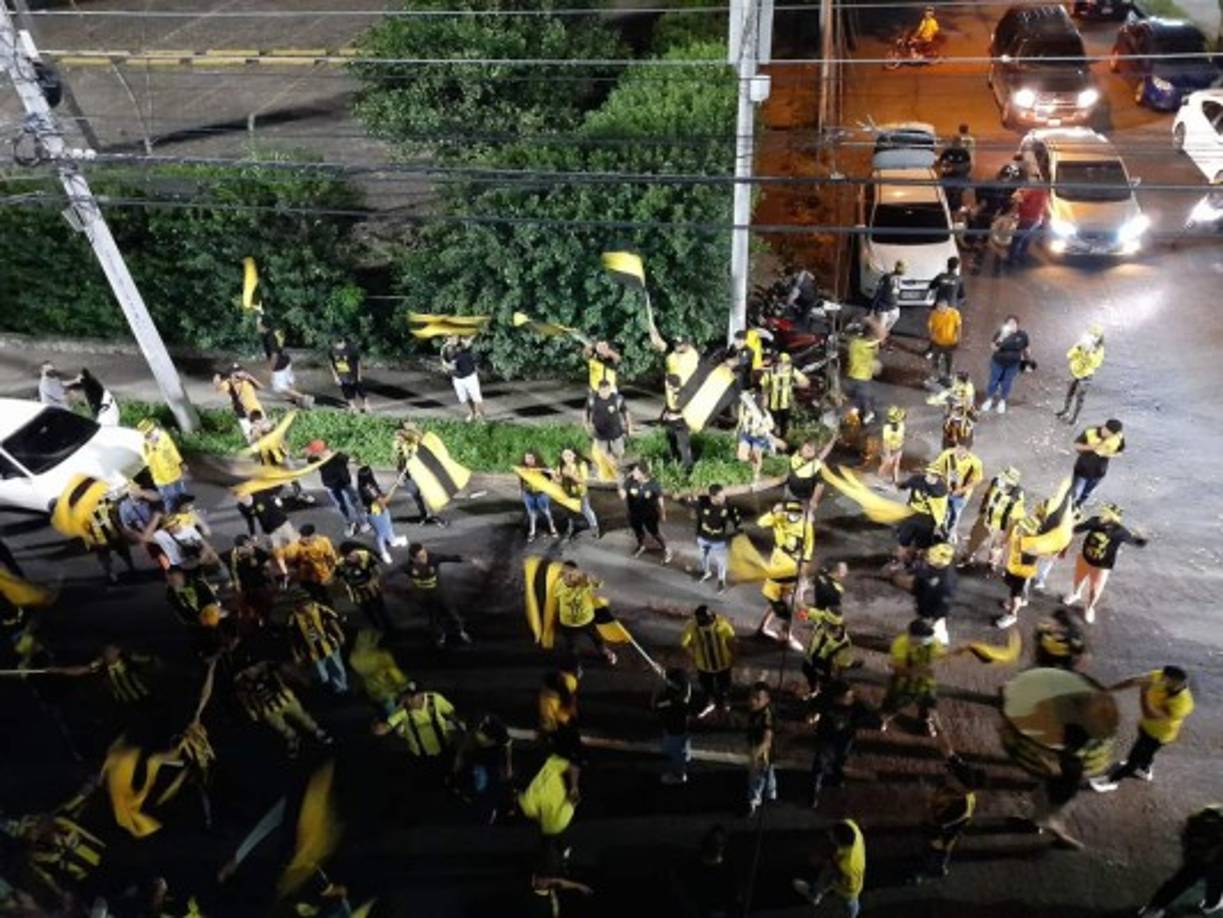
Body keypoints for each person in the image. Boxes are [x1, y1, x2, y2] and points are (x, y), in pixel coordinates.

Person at [1091, 666, 1195, 791]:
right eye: (1163, 676)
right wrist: (1108, 690)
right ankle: (1145, 769)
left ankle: (1112, 781)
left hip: (1158, 735)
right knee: (1146, 754)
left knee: (1134, 759)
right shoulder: (1160, 676)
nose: (1161, 680)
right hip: (1146, 727)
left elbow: (1150, 715)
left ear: (1176, 683)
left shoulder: (1183, 704)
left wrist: (1144, 693)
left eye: (1165, 679)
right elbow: (1133, 682)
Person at [1062, 503, 1146, 624]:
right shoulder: (1095, 521)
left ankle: (1089, 607)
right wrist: (1072, 522)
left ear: (1113, 519)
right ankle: (1076, 593)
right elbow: (1078, 529)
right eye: (1103, 512)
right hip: (1085, 558)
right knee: (1078, 580)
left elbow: (1136, 543)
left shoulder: (1120, 532)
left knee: (1095, 590)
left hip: (1102, 566)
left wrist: (1143, 537)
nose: (1103, 516)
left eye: (1106, 514)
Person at [1137, 804, 1223, 918]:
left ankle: (1154, 908)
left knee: (1184, 879)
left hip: (1200, 852)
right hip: (1216, 854)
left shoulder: (1206, 816)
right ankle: (1211, 904)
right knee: (1216, 878)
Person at [234, 660, 332, 757]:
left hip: (287, 700)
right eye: (246, 669)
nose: (250, 670)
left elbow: (285, 669)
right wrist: (252, 713)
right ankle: (292, 737)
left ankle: (316, 730)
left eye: (252, 667)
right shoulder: (241, 683)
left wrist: (301, 678)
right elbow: (244, 700)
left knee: (302, 717)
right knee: (280, 727)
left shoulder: (268, 668)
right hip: (267, 710)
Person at [809, 683, 881, 808]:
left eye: (849, 696)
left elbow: (873, 717)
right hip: (826, 737)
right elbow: (813, 706)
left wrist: (878, 724)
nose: (848, 699)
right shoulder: (826, 701)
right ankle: (814, 793)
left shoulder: (857, 706)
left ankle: (836, 786)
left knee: (839, 761)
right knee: (820, 762)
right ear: (836, 697)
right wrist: (812, 714)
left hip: (844, 740)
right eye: (845, 697)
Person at [880, 618, 954, 737]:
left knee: (928, 704)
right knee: (894, 700)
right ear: (912, 636)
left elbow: (940, 660)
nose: (927, 640)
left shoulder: (934, 643)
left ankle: (925, 722)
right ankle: (884, 717)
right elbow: (899, 669)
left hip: (926, 682)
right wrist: (920, 671)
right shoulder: (900, 643)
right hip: (904, 681)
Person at [518, 731, 583, 860]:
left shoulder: (528, 802)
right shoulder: (549, 763)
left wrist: (574, 789)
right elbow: (574, 768)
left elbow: (574, 769)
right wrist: (574, 789)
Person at [798, 563, 852, 701]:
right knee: (808, 672)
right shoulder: (822, 617)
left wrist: (835, 679)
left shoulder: (844, 644)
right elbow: (802, 607)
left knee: (826, 691)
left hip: (824, 670)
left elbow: (842, 667)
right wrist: (801, 590)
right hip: (810, 659)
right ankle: (813, 689)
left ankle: (820, 699)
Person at [374, 681, 463, 766]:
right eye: (406, 696)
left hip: (445, 753)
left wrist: (461, 728)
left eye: (412, 696)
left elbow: (453, 715)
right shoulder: (401, 710)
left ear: (421, 694)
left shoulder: (435, 699)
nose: (408, 700)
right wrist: (378, 728)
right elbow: (386, 727)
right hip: (421, 759)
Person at [1032, 723, 1090, 850]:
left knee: (1050, 822)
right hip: (1062, 793)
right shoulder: (1075, 756)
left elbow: (1054, 771)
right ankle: (1038, 823)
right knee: (1039, 801)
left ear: (1069, 741)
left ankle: (1068, 842)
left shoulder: (1071, 760)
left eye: (1063, 735)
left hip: (1056, 796)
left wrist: (1040, 758)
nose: (1060, 735)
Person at [405, 542, 474, 647]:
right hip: (427, 597)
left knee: (452, 614)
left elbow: (449, 557)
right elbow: (395, 572)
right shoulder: (408, 566)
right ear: (414, 558)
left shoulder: (433, 558)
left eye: (425, 553)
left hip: (441, 594)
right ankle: (440, 636)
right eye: (421, 556)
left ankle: (460, 631)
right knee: (433, 619)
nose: (425, 557)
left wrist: (468, 559)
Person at [792, 820, 867, 917]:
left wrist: (822, 861)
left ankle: (851, 915)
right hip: (838, 868)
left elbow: (843, 880)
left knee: (850, 902)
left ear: (840, 843)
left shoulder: (849, 866)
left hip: (848, 887)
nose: (829, 833)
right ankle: (814, 895)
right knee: (824, 879)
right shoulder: (851, 825)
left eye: (833, 836)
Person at [919, 759, 977, 880]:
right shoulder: (955, 789)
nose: (947, 775)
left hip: (941, 836)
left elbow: (934, 822)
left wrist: (926, 801)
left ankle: (927, 871)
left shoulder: (961, 807)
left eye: (952, 776)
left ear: (961, 784)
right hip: (942, 831)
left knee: (934, 853)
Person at [959, 465, 1024, 571]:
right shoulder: (996, 482)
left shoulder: (1016, 498)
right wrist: (982, 510)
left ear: (1011, 484)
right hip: (986, 518)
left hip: (1000, 527)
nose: (1001, 481)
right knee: (974, 539)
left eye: (1004, 480)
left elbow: (1014, 519)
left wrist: (1006, 536)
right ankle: (968, 558)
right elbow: (987, 495)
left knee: (997, 547)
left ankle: (992, 564)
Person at [452, 714, 513, 822]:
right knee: (480, 782)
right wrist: (459, 756)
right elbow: (468, 738)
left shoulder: (497, 726)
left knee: (490, 783)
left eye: (477, 730)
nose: (475, 732)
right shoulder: (473, 724)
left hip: (495, 755)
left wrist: (508, 766)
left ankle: (493, 808)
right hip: (480, 755)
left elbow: (507, 746)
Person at [554, 563, 616, 665]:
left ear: (577, 573)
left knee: (597, 639)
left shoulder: (584, 582)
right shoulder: (560, 585)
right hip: (568, 624)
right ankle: (574, 665)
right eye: (566, 574)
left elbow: (600, 584)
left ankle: (605, 653)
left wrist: (592, 578)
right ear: (562, 574)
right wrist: (584, 584)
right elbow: (562, 594)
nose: (569, 576)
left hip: (587, 621)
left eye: (572, 573)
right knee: (571, 646)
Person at [684, 484, 742, 593]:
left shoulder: (727, 505)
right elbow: (691, 505)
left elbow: (735, 517)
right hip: (703, 536)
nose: (723, 498)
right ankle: (706, 572)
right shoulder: (702, 503)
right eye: (720, 496)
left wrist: (738, 527)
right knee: (703, 556)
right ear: (712, 497)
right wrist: (689, 499)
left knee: (721, 560)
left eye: (723, 495)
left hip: (718, 538)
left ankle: (721, 580)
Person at [680, 604, 736, 717]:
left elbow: (731, 638)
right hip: (704, 665)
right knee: (707, 687)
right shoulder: (693, 626)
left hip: (723, 662)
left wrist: (734, 655)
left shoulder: (721, 622)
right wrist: (693, 657)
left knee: (724, 686)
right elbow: (684, 643)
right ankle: (709, 703)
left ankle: (723, 703)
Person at [891, 464, 949, 570]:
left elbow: (940, 509)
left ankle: (917, 565)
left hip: (927, 520)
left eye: (935, 475)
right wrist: (898, 484)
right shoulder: (917, 480)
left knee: (922, 545)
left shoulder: (941, 490)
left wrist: (941, 526)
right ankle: (901, 562)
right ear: (926, 472)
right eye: (930, 474)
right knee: (903, 542)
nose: (931, 477)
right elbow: (904, 485)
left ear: (939, 477)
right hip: (911, 515)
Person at [287, 595, 348, 694]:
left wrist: (340, 634)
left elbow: (332, 619)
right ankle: (327, 692)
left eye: (306, 604)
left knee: (337, 669)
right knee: (322, 675)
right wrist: (296, 654)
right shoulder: (293, 618)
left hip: (330, 645)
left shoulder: (320, 608)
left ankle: (342, 691)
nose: (305, 608)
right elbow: (291, 638)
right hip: (312, 651)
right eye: (301, 605)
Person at [305, 440, 368, 536]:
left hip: (344, 482)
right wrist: (312, 460)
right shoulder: (314, 459)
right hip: (330, 485)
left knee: (354, 501)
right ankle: (349, 523)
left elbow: (351, 460)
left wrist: (357, 459)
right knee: (340, 505)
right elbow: (311, 468)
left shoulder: (337, 456)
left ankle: (364, 521)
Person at [391, 423, 448, 527]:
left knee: (427, 496)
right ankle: (424, 515)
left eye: (401, 432)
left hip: (422, 474)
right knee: (416, 496)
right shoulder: (398, 443)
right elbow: (398, 459)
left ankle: (435, 517)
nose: (398, 435)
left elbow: (425, 444)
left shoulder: (417, 439)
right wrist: (399, 473)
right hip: (409, 475)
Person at [235, 489, 297, 582]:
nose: (240, 498)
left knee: (294, 543)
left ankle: (300, 561)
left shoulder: (260, 499)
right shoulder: (241, 506)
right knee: (277, 550)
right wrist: (253, 534)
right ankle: (285, 572)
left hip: (280, 522)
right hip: (269, 529)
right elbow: (249, 519)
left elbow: (265, 516)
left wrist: (264, 537)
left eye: (242, 495)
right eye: (238, 497)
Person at [993, 513, 1040, 629]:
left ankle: (1012, 615)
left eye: (1024, 530)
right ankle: (1020, 600)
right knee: (1013, 587)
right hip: (1014, 566)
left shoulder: (1032, 547)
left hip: (1022, 571)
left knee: (1016, 594)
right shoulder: (1021, 533)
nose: (1020, 530)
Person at [336, 541, 394, 632]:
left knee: (381, 609)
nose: (351, 558)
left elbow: (378, 571)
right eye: (348, 557)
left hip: (372, 589)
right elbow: (338, 577)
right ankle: (378, 628)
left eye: (352, 555)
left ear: (356, 551)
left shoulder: (366, 556)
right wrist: (346, 586)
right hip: (356, 593)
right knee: (368, 612)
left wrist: (374, 581)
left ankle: (390, 628)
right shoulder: (340, 564)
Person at [620, 463, 671, 563]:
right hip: (634, 513)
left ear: (642, 474)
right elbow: (623, 494)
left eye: (636, 471)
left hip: (650, 514)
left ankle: (666, 548)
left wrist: (663, 512)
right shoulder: (630, 480)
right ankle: (641, 545)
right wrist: (621, 489)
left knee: (655, 533)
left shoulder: (653, 484)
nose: (633, 473)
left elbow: (660, 498)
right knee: (638, 531)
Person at [932, 440, 983, 539]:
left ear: (968, 451)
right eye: (957, 447)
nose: (957, 451)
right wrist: (941, 483)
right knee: (942, 512)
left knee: (955, 516)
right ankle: (942, 531)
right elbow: (937, 468)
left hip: (961, 496)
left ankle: (951, 533)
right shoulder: (947, 455)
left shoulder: (975, 463)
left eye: (961, 449)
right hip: (945, 491)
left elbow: (976, 480)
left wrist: (961, 490)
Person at [981, 315, 1032, 414]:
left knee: (1007, 383)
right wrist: (1001, 338)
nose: (1012, 325)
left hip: (1013, 365)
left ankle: (1002, 401)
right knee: (993, 381)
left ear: (1017, 325)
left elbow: (1027, 347)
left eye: (1014, 323)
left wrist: (1027, 358)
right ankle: (989, 399)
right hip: (998, 362)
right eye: (1009, 323)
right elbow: (993, 348)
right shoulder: (1001, 333)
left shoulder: (1022, 335)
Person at [356, 465, 407, 563]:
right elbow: (384, 501)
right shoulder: (369, 488)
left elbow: (380, 497)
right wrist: (395, 485)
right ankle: (384, 553)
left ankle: (393, 541)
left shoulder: (363, 486)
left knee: (387, 528)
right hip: (377, 513)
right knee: (380, 534)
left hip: (375, 512)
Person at [1057, 325, 1105, 425]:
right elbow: (1069, 355)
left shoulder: (1099, 350)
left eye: (1095, 336)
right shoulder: (1082, 343)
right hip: (1074, 373)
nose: (1092, 338)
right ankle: (1066, 411)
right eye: (1091, 335)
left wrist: (1089, 353)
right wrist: (1079, 348)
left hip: (1085, 376)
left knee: (1079, 397)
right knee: (1069, 393)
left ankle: (1074, 418)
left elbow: (1096, 364)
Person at [1071, 419, 1125, 508]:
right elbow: (1076, 445)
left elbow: (1120, 452)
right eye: (1108, 433)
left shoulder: (1118, 437)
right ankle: (1069, 507)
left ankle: (1079, 505)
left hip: (1099, 472)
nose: (1109, 436)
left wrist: (1110, 454)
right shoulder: (1090, 432)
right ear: (1104, 427)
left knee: (1087, 492)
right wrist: (1093, 448)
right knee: (1076, 492)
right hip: (1082, 469)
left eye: (1112, 435)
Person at [653, 668, 694, 785]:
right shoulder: (683, 702)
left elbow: (655, 704)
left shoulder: (669, 701)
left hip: (673, 734)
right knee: (680, 753)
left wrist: (658, 682)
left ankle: (679, 776)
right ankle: (681, 767)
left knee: (676, 755)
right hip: (679, 733)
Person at [259, 319, 312, 407]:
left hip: (278, 363)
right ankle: (295, 399)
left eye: (258, 324)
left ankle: (304, 398)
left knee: (279, 387)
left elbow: (274, 354)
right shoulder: (276, 331)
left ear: (263, 326)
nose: (257, 326)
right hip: (285, 359)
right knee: (289, 381)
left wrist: (271, 368)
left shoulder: (269, 337)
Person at [227, 534, 276, 629]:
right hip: (246, 588)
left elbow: (266, 556)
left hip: (257, 585)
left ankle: (264, 621)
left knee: (265, 605)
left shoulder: (255, 552)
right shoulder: (233, 557)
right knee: (253, 608)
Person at [736, 390, 784, 486]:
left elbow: (771, 426)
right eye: (765, 400)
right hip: (747, 435)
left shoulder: (765, 414)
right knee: (741, 456)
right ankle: (754, 458)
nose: (766, 402)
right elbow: (742, 416)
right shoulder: (746, 410)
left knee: (757, 455)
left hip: (759, 438)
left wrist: (763, 429)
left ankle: (756, 477)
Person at [281, 524, 337, 605]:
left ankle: (331, 614)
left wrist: (332, 572)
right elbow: (289, 561)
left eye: (307, 537)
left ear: (313, 535)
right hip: (306, 577)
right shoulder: (295, 546)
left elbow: (331, 557)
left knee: (326, 597)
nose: (304, 539)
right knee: (313, 598)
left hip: (323, 575)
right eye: (303, 537)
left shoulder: (323, 541)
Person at [138, 420, 188, 511]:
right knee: (170, 500)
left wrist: (181, 462)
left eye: (151, 431)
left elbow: (172, 450)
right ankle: (173, 514)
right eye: (147, 434)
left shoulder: (164, 436)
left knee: (182, 495)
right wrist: (152, 448)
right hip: (163, 480)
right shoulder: (145, 446)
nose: (151, 434)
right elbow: (148, 462)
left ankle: (186, 512)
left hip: (175, 473)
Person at [912, 542, 956, 644]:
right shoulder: (931, 568)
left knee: (934, 630)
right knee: (925, 626)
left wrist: (935, 616)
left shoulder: (947, 580)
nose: (929, 560)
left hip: (933, 612)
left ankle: (934, 646)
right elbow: (920, 582)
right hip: (924, 605)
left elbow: (944, 602)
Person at [759, 352, 809, 439]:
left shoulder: (792, 371)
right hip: (773, 405)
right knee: (772, 425)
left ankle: (783, 439)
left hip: (786, 404)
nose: (785, 366)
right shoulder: (771, 372)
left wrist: (794, 384)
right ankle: (773, 440)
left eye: (787, 364)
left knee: (784, 426)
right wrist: (765, 398)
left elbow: (806, 382)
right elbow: (764, 385)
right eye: (782, 363)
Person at [745, 681, 777, 816]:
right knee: (768, 773)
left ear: (767, 700)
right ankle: (771, 792)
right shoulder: (758, 711)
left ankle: (753, 800)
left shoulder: (766, 716)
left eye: (757, 698)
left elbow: (767, 740)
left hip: (762, 753)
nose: (753, 701)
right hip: (762, 750)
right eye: (751, 697)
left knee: (755, 777)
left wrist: (754, 755)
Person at [844, 319, 883, 424]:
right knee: (862, 394)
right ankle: (865, 411)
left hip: (857, 374)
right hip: (862, 375)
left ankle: (865, 411)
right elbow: (879, 337)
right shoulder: (872, 345)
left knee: (860, 394)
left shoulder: (855, 343)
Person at [557, 447, 599, 541]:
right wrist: (554, 476)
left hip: (581, 493)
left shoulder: (581, 465)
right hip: (568, 494)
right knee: (570, 512)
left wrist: (571, 475)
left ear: (574, 455)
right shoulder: (561, 466)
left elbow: (584, 481)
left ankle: (594, 528)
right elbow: (559, 480)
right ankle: (571, 529)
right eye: (564, 455)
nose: (567, 457)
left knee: (586, 510)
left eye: (569, 455)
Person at [538, 657, 581, 746]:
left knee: (549, 724)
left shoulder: (559, 678)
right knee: (555, 724)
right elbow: (570, 700)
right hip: (553, 701)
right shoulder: (571, 681)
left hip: (549, 700)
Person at [440, 334, 485, 421]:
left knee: (477, 398)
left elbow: (472, 337)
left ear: (458, 337)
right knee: (464, 398)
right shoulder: (445, 349)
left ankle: (481, 418)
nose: (452, 339)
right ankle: (472, 413)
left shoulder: (463, 345)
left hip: (470, 376)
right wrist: (446, 369)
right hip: (457, 379)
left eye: (454, 336)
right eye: (449, 337)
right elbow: (445, 363)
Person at [213, 364, 265, 439]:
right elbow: (218, 388)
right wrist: (217, 378)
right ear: (231, 374)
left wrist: (250, 377)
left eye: (240, 371)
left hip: (256, 410)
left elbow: (261, 387)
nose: (239, 373)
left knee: (265, 431)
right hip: (242, 413)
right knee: (250, 436)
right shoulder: (228, 383)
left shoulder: (247, 380)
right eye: (236, 372)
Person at [585, 378, 631, 459]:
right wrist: (586, 425)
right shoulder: (592, 399)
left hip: (616, 433)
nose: (605, 393)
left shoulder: (618, 399)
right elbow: (586, 412)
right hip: (600, 434)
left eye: (607, 390)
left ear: (610, 389)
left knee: (619, 454)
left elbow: (625, 412)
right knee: (601, 456)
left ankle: (615, 468)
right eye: (602, 391)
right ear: (598, 390)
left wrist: (629, 426)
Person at [520, 451, 559, 543]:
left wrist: (550, 472)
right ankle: (532, 531)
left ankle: (552, 528)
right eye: (527, 458)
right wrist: (522, 492)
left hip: (542, 494)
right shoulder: (523, 469)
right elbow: (522, 481)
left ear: (535, 458)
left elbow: (555, 479)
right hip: (528, 494)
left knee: (546, 512)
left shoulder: (544, 469)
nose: (528, 460)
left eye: (531, 458)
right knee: (532, 514)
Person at [1007, 180, 1049, 265]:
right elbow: (1043, 208)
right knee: (1026, 239)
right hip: (1036, 220)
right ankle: (1022, 258)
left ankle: (1011, 260)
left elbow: (1027, 207)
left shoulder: (1033, 193)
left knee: (1016, 239)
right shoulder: (1044, 194)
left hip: (1028, 219)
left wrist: (1019, 202)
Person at [926, 296, 962, 388]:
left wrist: (958, 338)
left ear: (946, 306)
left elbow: (958, 326)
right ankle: (935, 375)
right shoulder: (934, 314)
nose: (938, 309)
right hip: (937, 342)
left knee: (949, 359)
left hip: (950, 343)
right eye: (938, 307)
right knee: (935, 359)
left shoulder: (954, 313)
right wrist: (931, 335)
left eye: (940, 307)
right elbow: (930, 325)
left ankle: (948, 375)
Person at [787, 437, 834, 505]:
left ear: (815, 454)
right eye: (807, 448)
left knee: (799, 512)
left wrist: (814, 500)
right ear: (802, 447)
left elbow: (820, 484)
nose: (808, 450)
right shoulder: (795, 456)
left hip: (803, 498)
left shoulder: (815, 466)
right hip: (790, 490)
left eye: (811, 450)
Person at [329, 337, 369, 412]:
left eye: (336, 344)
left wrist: (359, 374)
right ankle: (352, 406)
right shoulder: (332, 351)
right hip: (341, 374)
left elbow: (357, 362)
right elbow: (331, 363)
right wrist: (335, 376)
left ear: (342, 342)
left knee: (360, 389)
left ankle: (366, 405)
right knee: (346, 390)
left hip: (353, 373)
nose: (334, 346)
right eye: (333, 344)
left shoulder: (351, 349)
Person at [869, 261, 905, 334]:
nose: (903, 271)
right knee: (879, 330)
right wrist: (872, 309)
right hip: (883, 308)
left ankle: (882, 337)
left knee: (886, 329)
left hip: (893, 308)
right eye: (902, 268)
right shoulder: (887, 277)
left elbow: (896, 293)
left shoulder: (899, 279)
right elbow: (878, 293)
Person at [939, 137, 973, 212]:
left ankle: (956, 207)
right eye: (955, 144)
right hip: (948, 177)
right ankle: (947, 207)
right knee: (947, 192)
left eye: (958, 144)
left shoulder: (964, 152)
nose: (956, 145)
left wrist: (962, 172)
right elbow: (941, 162)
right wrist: (945, 168)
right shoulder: (947, 151)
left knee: (957, 193)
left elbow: (968, 165)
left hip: (960, 177)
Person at [877, 406, 906, 487]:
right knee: (886, 464)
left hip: (898, 448)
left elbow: (902, 435)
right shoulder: (887, 427)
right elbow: (885, 442)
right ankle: (878, 480)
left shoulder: (901, 424)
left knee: (896, 464)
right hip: (888, 449)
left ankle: (895, 480)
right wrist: (888, 454)